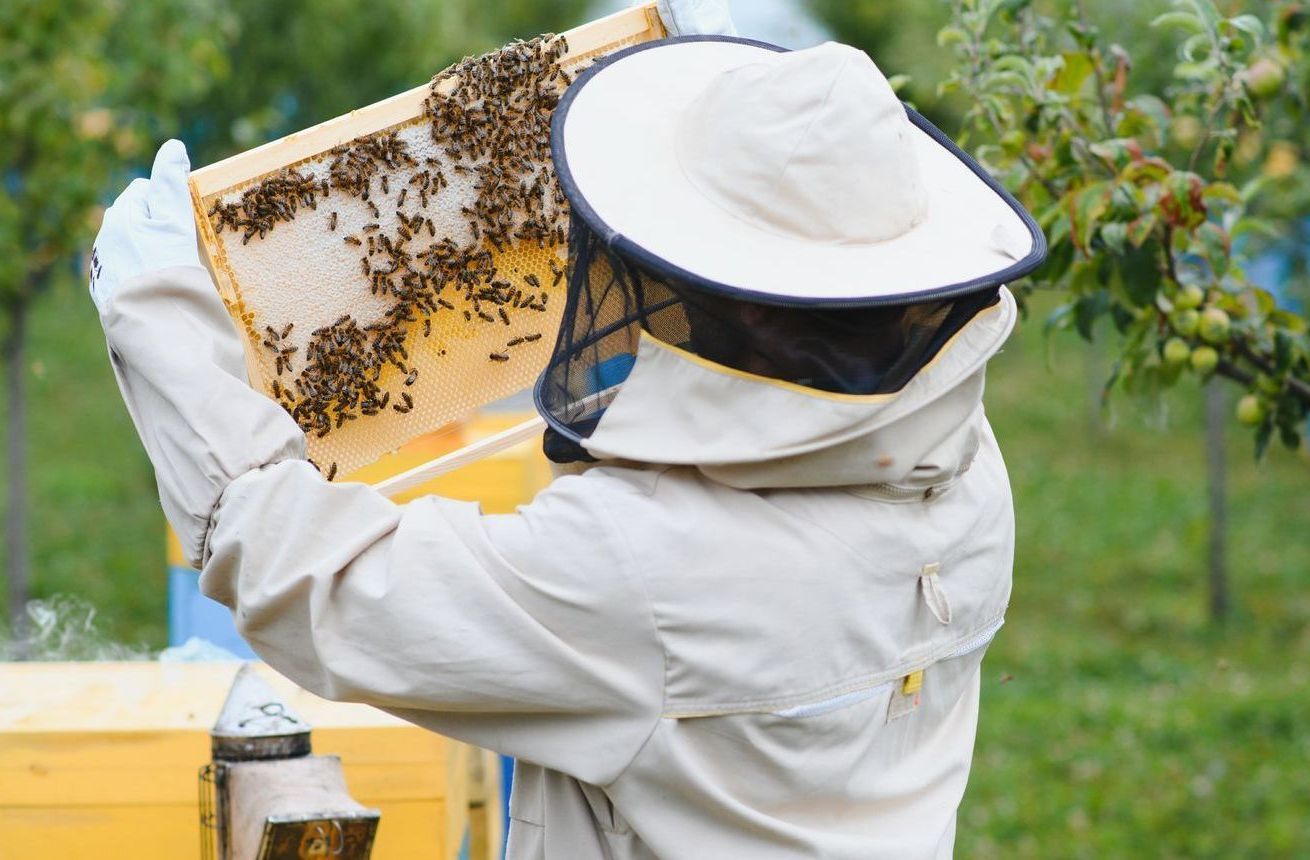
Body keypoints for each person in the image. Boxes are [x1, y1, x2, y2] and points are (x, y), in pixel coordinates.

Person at [90, 17, 1045, 860]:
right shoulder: (963, 476)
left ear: (742, 312)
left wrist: (160, 313)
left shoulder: (644, 574)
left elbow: (292, 565)